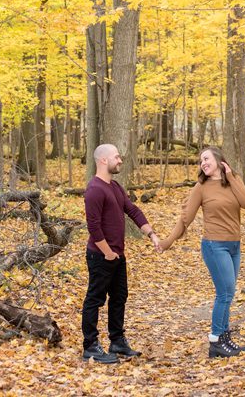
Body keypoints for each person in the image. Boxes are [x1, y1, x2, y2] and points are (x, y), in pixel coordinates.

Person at [156, 146, 245, 358]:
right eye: (201, 161)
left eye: (206, 158)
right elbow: (186, 218)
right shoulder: (201, 187)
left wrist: (230, 175)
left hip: (234, 246)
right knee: (224, 294)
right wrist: (167, 241)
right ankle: (216, 340)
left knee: (228, 294)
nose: (203, 163)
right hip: (214, 245)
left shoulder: (233, 179)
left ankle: (225, 339)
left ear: (220, 160)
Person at [81, 143, 160, 364]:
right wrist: (107, 253)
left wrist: (151, 234)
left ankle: (117, 341)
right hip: (100, 255)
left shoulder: (114, 187)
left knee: (119, 297)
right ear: (104, 160)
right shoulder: (95, 189)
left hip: (117, 255)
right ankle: (90, 346)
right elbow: (93, 226)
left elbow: (132, 210)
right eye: (117, 157)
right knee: (95, 300)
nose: (120, 161)